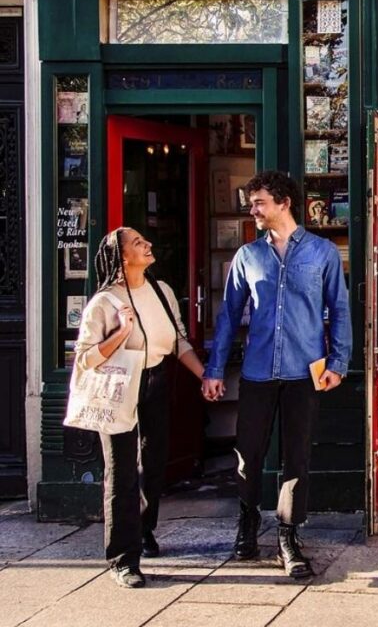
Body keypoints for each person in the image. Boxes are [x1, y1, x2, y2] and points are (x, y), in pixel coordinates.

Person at [204, 170, 351, 580]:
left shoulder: (322, 253)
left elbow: (339, 309)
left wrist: (338, 362)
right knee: (248, 457)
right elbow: (229, 316)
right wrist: (215, 369)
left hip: (305, 373)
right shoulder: (248, 257)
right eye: (251, 204)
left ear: (284, 202)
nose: (252, 210)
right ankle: (247, 523)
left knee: (296, 458)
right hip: (257, 372)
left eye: (259, 203)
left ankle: (289, 536)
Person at [74, 228, 205, 588]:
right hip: (118, 386)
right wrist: (120, 333)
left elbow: (178, 339)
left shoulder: (161, 291)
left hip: (156, 380)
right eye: (137, 243)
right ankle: (123, 558)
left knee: (154, 459)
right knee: (120, 472)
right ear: (122, 257)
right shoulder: (104, 302)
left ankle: (144, 530)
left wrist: (204, 376)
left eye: (146, 240)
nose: (147, 244)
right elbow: (84, 358)